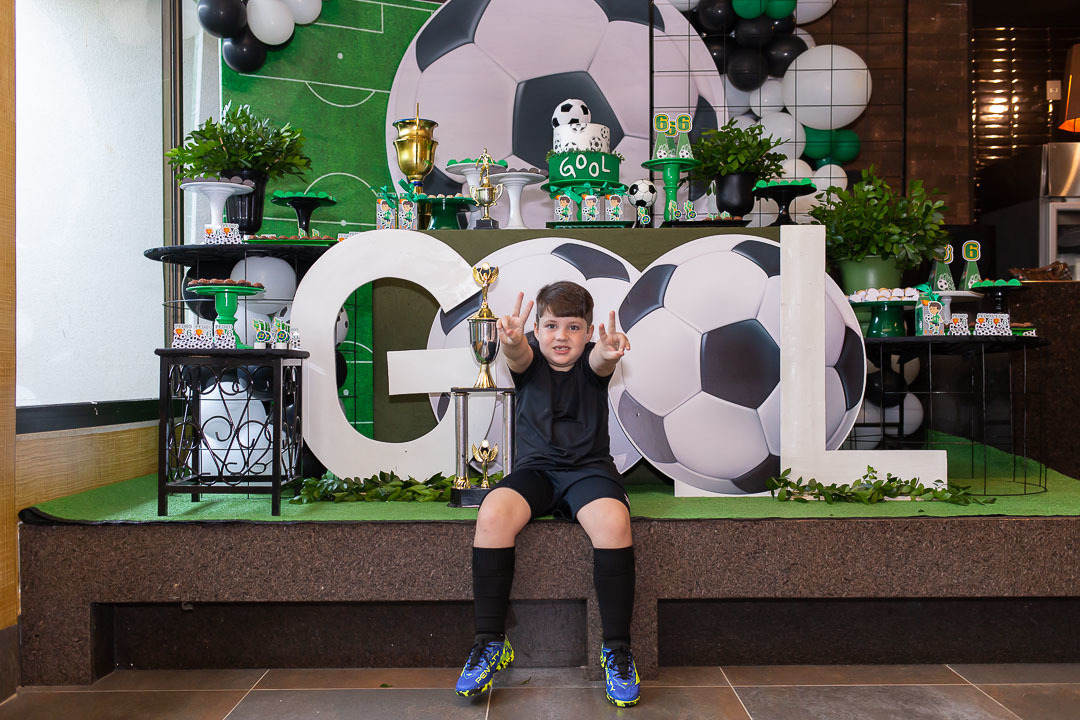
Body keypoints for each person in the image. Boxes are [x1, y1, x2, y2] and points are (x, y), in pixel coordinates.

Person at [454, 281, 639, 707]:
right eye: (552, 326)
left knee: (613, 521)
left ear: (588, 332)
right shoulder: (530, 361)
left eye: (573, 328)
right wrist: (514, 341)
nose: (561, 336)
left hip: (587, 473)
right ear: (538, 329)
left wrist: (610, 351)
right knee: (493, 512)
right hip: (536, 473)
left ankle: (618, 650)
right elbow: (516, 355)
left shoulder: (592, 365)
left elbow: (602, 359)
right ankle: (489, 642)